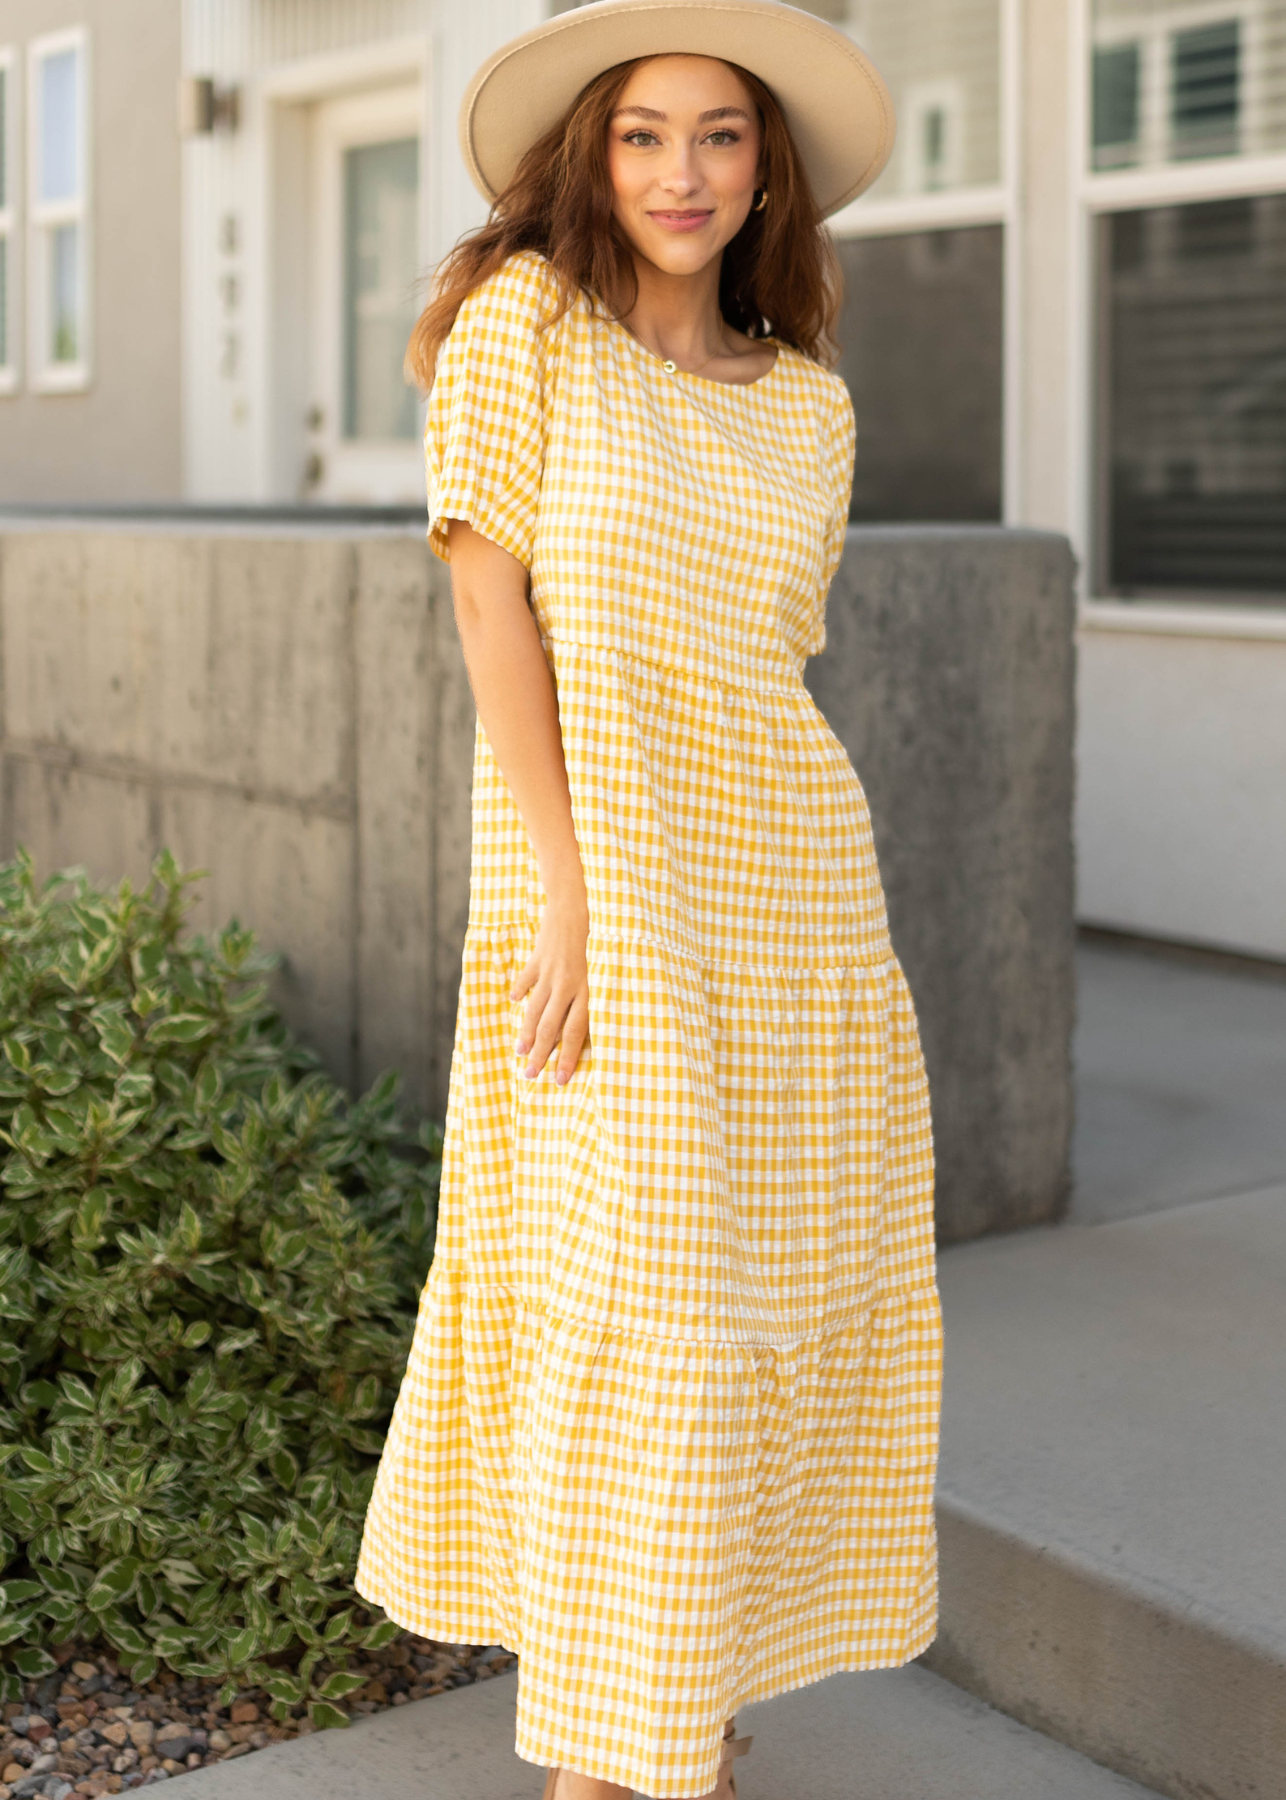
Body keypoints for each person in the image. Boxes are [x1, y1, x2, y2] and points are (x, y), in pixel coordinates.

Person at [356, 4, 941, 1796]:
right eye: (640, 135)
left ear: (765, 170)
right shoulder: (523, 325)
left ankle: (684, 1702)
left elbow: (762, 675)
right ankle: (614, 1762)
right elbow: (488, 607)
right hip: (598, 894)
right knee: (643, 1309)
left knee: (762, 1306)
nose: (680, 173)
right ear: (590, 160)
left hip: (795, 906)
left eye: (718, 137)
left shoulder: (814, 409)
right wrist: (568, 886)